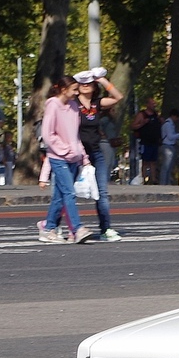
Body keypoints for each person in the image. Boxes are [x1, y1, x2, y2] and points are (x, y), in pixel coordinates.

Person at [37, 75, 94, 244]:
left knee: (59, 197)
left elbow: (74, 136)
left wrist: (83, 157)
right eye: (74, 89)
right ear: (63, 89)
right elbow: (48, 134)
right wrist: (64, 150)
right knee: (69, 192)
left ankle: (48, 228)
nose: (77, 93)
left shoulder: (74, 107)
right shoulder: (53, 105)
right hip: (58, 157)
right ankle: (77, 229)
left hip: (73, 158)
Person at [73, 68, 123, 241]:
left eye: (89, 83)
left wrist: (102, 80)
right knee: (67, 192)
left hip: (95, 153)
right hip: (76, 154)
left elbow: (118, 98)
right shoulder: (72, 104)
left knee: (101, 192)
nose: (85, 86)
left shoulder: (96, 104)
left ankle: (105, 228)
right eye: (82, 83)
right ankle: (55, 226)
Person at [131, 97, 163, 183]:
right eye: (152, 104)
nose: (154, 105)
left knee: (153, 161)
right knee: (145, 161)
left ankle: (153, 179)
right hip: (145, 141)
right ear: (148, 105)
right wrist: (143, 123)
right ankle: (143, 178)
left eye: (154, 104)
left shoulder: (156, 115)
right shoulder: (142, 115)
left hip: (155, 141)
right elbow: (133, 126)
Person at [160, 108, 179, 184]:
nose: (177, 119)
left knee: (169, 167)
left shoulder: (170, 124)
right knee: (166, 167)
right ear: (173, 116)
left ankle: (166, 182)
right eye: (176, 117)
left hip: (170, 146)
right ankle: (163, 183)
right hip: (167, 146)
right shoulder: (168, 124)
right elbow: (170, 136)